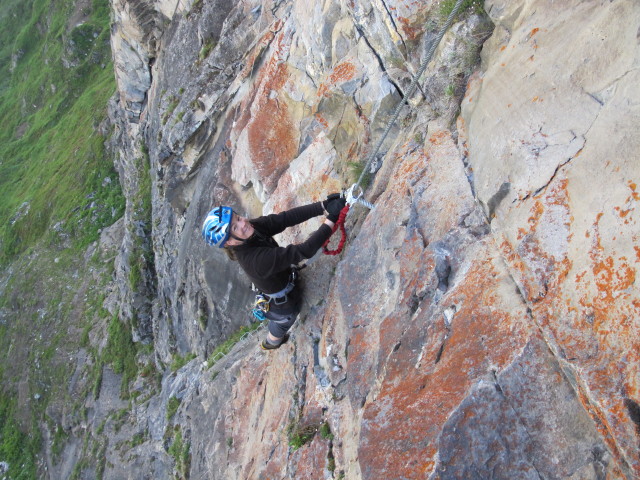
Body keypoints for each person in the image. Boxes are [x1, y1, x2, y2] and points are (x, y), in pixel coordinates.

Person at [202, 194, 347, 350]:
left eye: (237, 218)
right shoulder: (254, 261)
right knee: (282, 323)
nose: (243, 222)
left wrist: (323, 206)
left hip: (281, 283)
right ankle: (271, 343)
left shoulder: (251, 228)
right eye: (235, 227)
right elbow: (304, 251)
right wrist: (332, 217)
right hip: (284, 306)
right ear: (229, 242)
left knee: (280, 319)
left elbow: (284, 219)